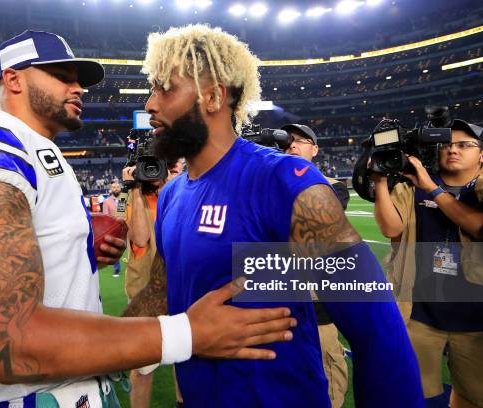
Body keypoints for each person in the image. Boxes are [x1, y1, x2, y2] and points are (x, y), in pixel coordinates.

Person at [0, 30, 296, 407]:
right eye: (61, 76)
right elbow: (11, 345)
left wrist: (65, 248)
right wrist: (187, 333)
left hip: (87, 389)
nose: (78, 89)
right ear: (13, 79)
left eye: (78, 80)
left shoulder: (47, 158)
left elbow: (350, 288)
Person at [130, 24, 424, 407]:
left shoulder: (281, 180)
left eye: (165, 88)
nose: (151, 104)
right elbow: (158, 297)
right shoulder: (170, 195)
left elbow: (377, 328)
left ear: (214, 96)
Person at [372, 120, 483, 408]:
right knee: (415, 393)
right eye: (446, 144)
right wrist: (380, 182)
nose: (452, 150)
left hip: (476, 318)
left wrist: (432, 189)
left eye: (464, 144)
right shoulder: (413, 186)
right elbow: (391, 229)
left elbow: (479, 226)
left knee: (473, 394)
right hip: (421, 314)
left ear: (481, 154)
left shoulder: (471, 189)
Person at [281, 123, 349, 408]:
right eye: (288, 141)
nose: (293, 144)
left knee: (327, 388)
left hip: (317, 307)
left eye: (302, 140)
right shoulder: (263, 185)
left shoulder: (334, 187)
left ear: (315, 149)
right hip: (274, 306)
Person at [122, 158, 184, 408]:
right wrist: (135, 188)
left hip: (181, 289)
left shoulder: (185, 193)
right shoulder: (136, 197)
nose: (161, 173)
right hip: (146, 292)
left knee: (186, 360)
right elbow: (139, 237)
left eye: (172, 168)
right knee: (143, 369)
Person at [102, 181, 123, 277]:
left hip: (125, 227)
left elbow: (123, 214)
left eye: (117, 187)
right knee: (116, 249)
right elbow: (106, 216)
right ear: (111, 189)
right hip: (114, 228)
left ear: (120, 188)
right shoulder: (106, 202)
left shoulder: (123, 199)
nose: (116, 189)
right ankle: (117, 269)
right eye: (114, 187)